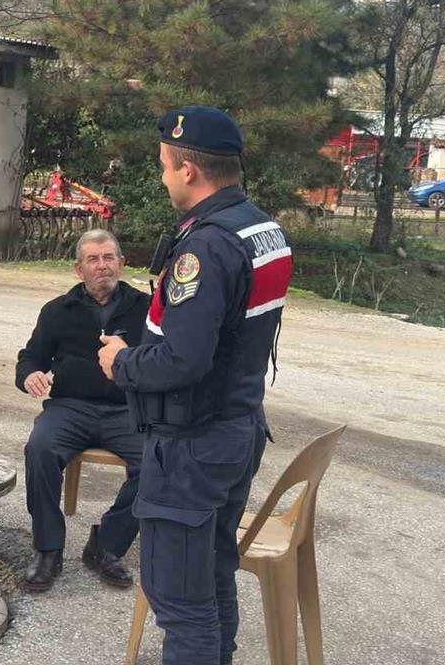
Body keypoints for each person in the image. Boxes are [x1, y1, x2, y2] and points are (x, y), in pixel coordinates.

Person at [98, 106, 293, 664]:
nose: (161, 177)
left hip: (192, 444)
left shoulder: (206, 247)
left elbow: (183, 359)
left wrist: (122, 361)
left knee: (180, 603)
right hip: (235, 428)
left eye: (164, 166)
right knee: (211, 578)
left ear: (189, 171)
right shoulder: (263, 229)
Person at [17, 229, 148, 592]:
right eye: (93, 259)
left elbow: (161, 360)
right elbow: (31, 358)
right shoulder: (58, 311)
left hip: (126, 409)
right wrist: (30, 376)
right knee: (39, 449)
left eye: (109, 258)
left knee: (158, 460)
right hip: (70, 407)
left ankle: (106, 544)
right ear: (79, 270)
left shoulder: (146, 309)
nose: (102, 265)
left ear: (121, 263)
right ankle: (48, 548)